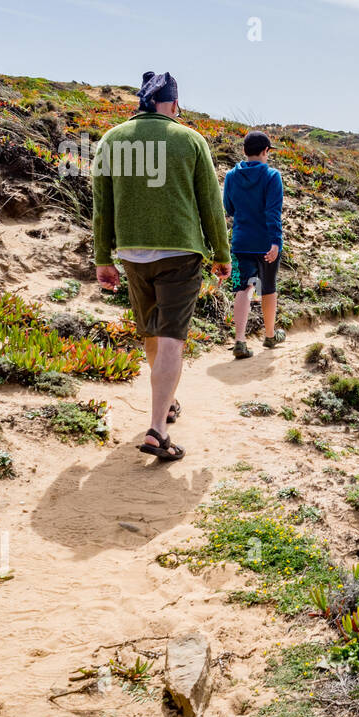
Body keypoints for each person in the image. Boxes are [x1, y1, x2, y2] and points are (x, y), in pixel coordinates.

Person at [92, 70, 232, 461]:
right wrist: (221, 253)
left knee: (152, 332)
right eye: (177, 104)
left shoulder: (111, 140)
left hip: (132, 253)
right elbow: (210, 203)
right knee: (171, 336)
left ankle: (165, 403)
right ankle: (157, 429)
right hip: (180, 252)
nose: (178, 110)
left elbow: (101, 208)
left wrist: (103, 258)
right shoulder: (190, 140)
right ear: (168, 103)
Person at [222, 130, 286, 359]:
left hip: (240, 243)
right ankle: (270, 336)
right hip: (266, 244)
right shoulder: (272, 176)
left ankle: (239, 341)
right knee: (268, 287)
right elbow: (273, 213)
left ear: (244, 151)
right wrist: (276, 241)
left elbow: (228, 208)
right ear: (266, 151)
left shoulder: (231, 175)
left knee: (242, 288)